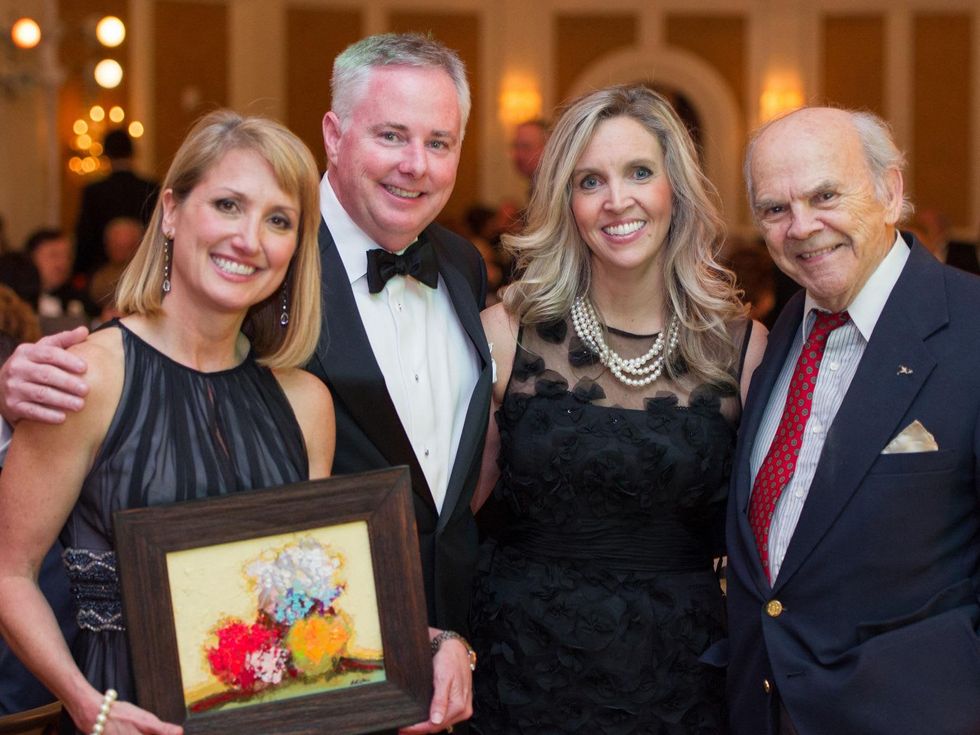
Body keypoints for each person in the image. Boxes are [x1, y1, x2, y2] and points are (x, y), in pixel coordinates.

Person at [0, 110, 334, 735]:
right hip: (121, 713)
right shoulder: (87, 378)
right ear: (174, 212)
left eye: (279, 220)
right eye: (229, 205)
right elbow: (8, 572)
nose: (250, 239)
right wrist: (84, 703)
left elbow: (305, 606)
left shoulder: (305, 403)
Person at [470, 84, 766, 733]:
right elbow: (455, 520)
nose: (617, 200)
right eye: (590, 180)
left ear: (675, 189)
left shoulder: (741, 349)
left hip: (680, 681)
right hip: (520, 673)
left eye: (639, 172)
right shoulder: (504, 331)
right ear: (566, 201)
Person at [724, 107, 980, 735]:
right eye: (775, 210)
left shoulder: (971, 328)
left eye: (825, 195)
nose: (802, 227)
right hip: (764, 705)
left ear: (891, 191)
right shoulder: (783, 332)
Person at [306, 33, 491, 733]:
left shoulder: (463, 264)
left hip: (457, 663)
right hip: (317, 661)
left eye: (440, 142)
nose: (417, 165)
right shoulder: (269, 260)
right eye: (392, 135)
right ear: (335, 133)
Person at [74, 129, 159, 278]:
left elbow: (85, 237)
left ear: (106, 154)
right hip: (144, 271)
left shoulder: (94, 191)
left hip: (101, 272)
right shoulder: (150, 187)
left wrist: (81, 273)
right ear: (133, 152)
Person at [26, 229, 98, 322]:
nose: (63, 264)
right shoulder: (18, 301)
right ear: (31, 258)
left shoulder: (80, 296)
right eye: (54, 255)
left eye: (68, 256)